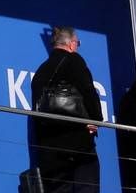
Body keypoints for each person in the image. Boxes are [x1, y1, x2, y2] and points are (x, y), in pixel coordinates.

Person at [28, 26, 102, 193]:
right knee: (86, 187)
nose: (77, 47)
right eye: (78, 43)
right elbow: (88, 91)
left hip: (49, 152)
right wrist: (96, 120)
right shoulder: (74, 60)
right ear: (70, 44)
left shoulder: (40, 72)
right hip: (77, 145)